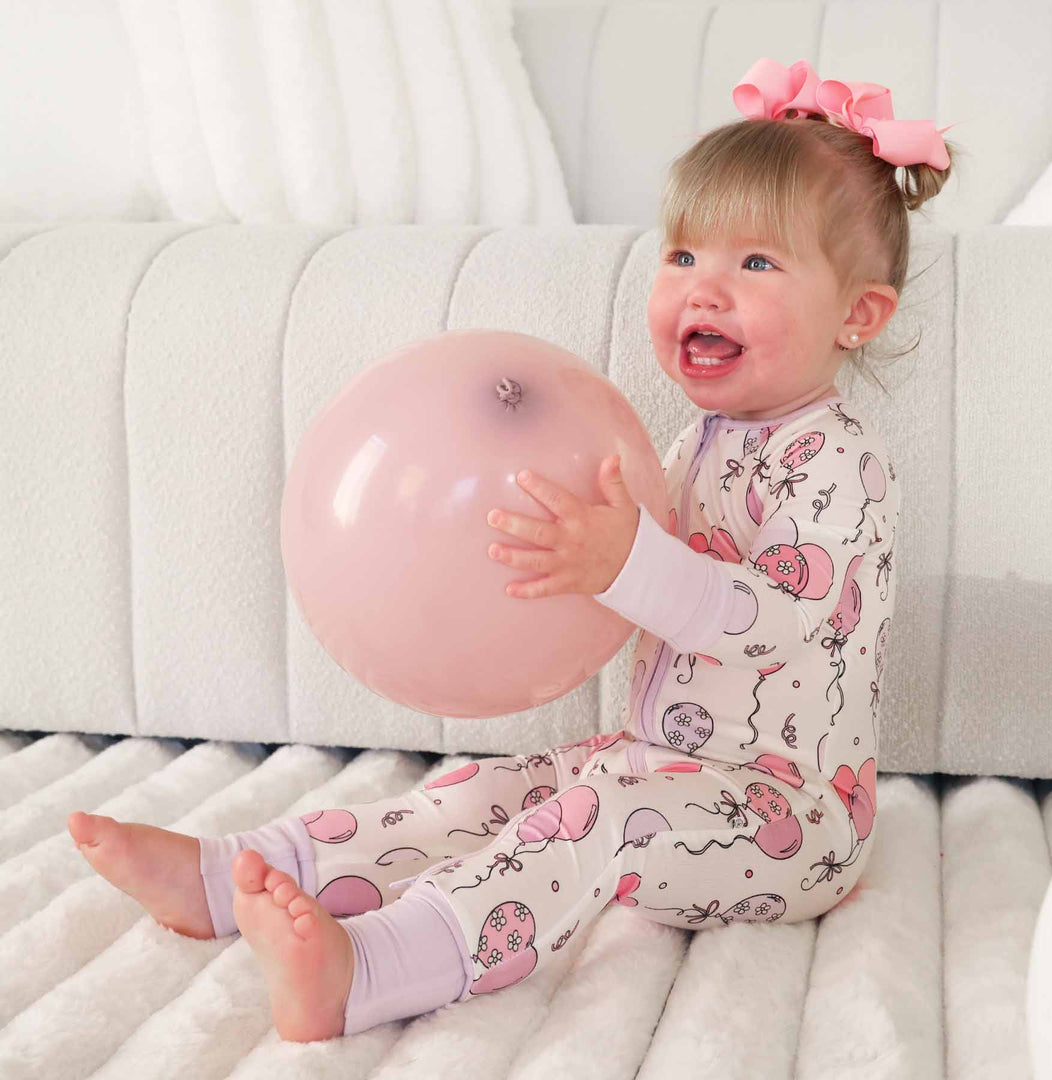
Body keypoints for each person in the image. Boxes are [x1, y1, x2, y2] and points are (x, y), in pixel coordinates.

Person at [67, 56, 958, 1044]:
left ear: (857, 315)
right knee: (506, 786)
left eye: (755, 264)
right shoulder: (696, 442)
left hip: (792, 827)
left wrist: (625, 563)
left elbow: (784, 623)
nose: (704, 289)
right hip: (673, 764)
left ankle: (372, 969)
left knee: (603, 810)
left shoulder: (843, 462)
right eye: (682, 257)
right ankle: (231, 873)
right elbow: (640, 587)